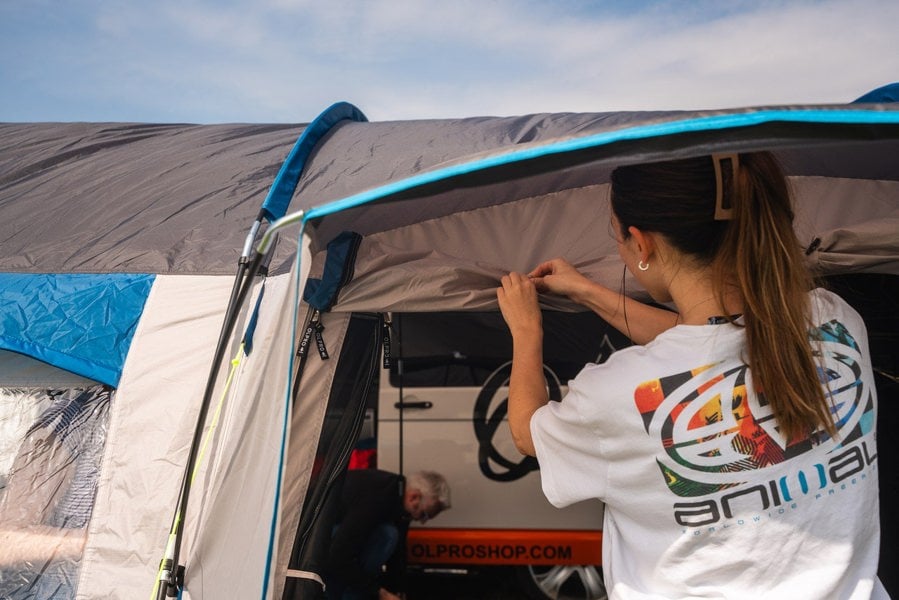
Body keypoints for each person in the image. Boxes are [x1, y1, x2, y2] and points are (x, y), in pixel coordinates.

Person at [496, 152, 886, 599]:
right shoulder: (835, 323)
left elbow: (528, 434)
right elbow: (706, 345)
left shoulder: (618, 391)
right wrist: (589, 292)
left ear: (641, 244)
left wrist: (526, 330)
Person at [324, 469, 450, 600]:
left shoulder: (398, 500)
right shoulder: (377, 497)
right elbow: (337, 555)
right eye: (424, 514)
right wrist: (379, 592)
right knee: (387, 535)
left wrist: (397, 589)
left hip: (332, 536)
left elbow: (398, 553)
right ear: (414, 497)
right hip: (319, 538)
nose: (422, 522)